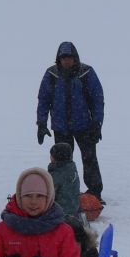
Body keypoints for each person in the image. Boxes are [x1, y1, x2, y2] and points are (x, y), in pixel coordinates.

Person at [36, 41, 104, 203]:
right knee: (62, 164)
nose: (66, 61)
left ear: (75, 58)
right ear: (58, 59)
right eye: (63, 58)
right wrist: (41, 123)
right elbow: (43, 100)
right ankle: (63, 194)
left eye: (69, 57)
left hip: (85, 127)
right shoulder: (51, 74)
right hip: (61, 128)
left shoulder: (86, 72)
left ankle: (94, 194)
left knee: (89, 160)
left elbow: (97, 100)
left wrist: (97, 123)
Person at [47, 140, 82, 223]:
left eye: (51, 155)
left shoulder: (56, 174)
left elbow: (48, 195)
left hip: (60, 212)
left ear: (55, 158)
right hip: (74, 208)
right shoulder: (71, 169)